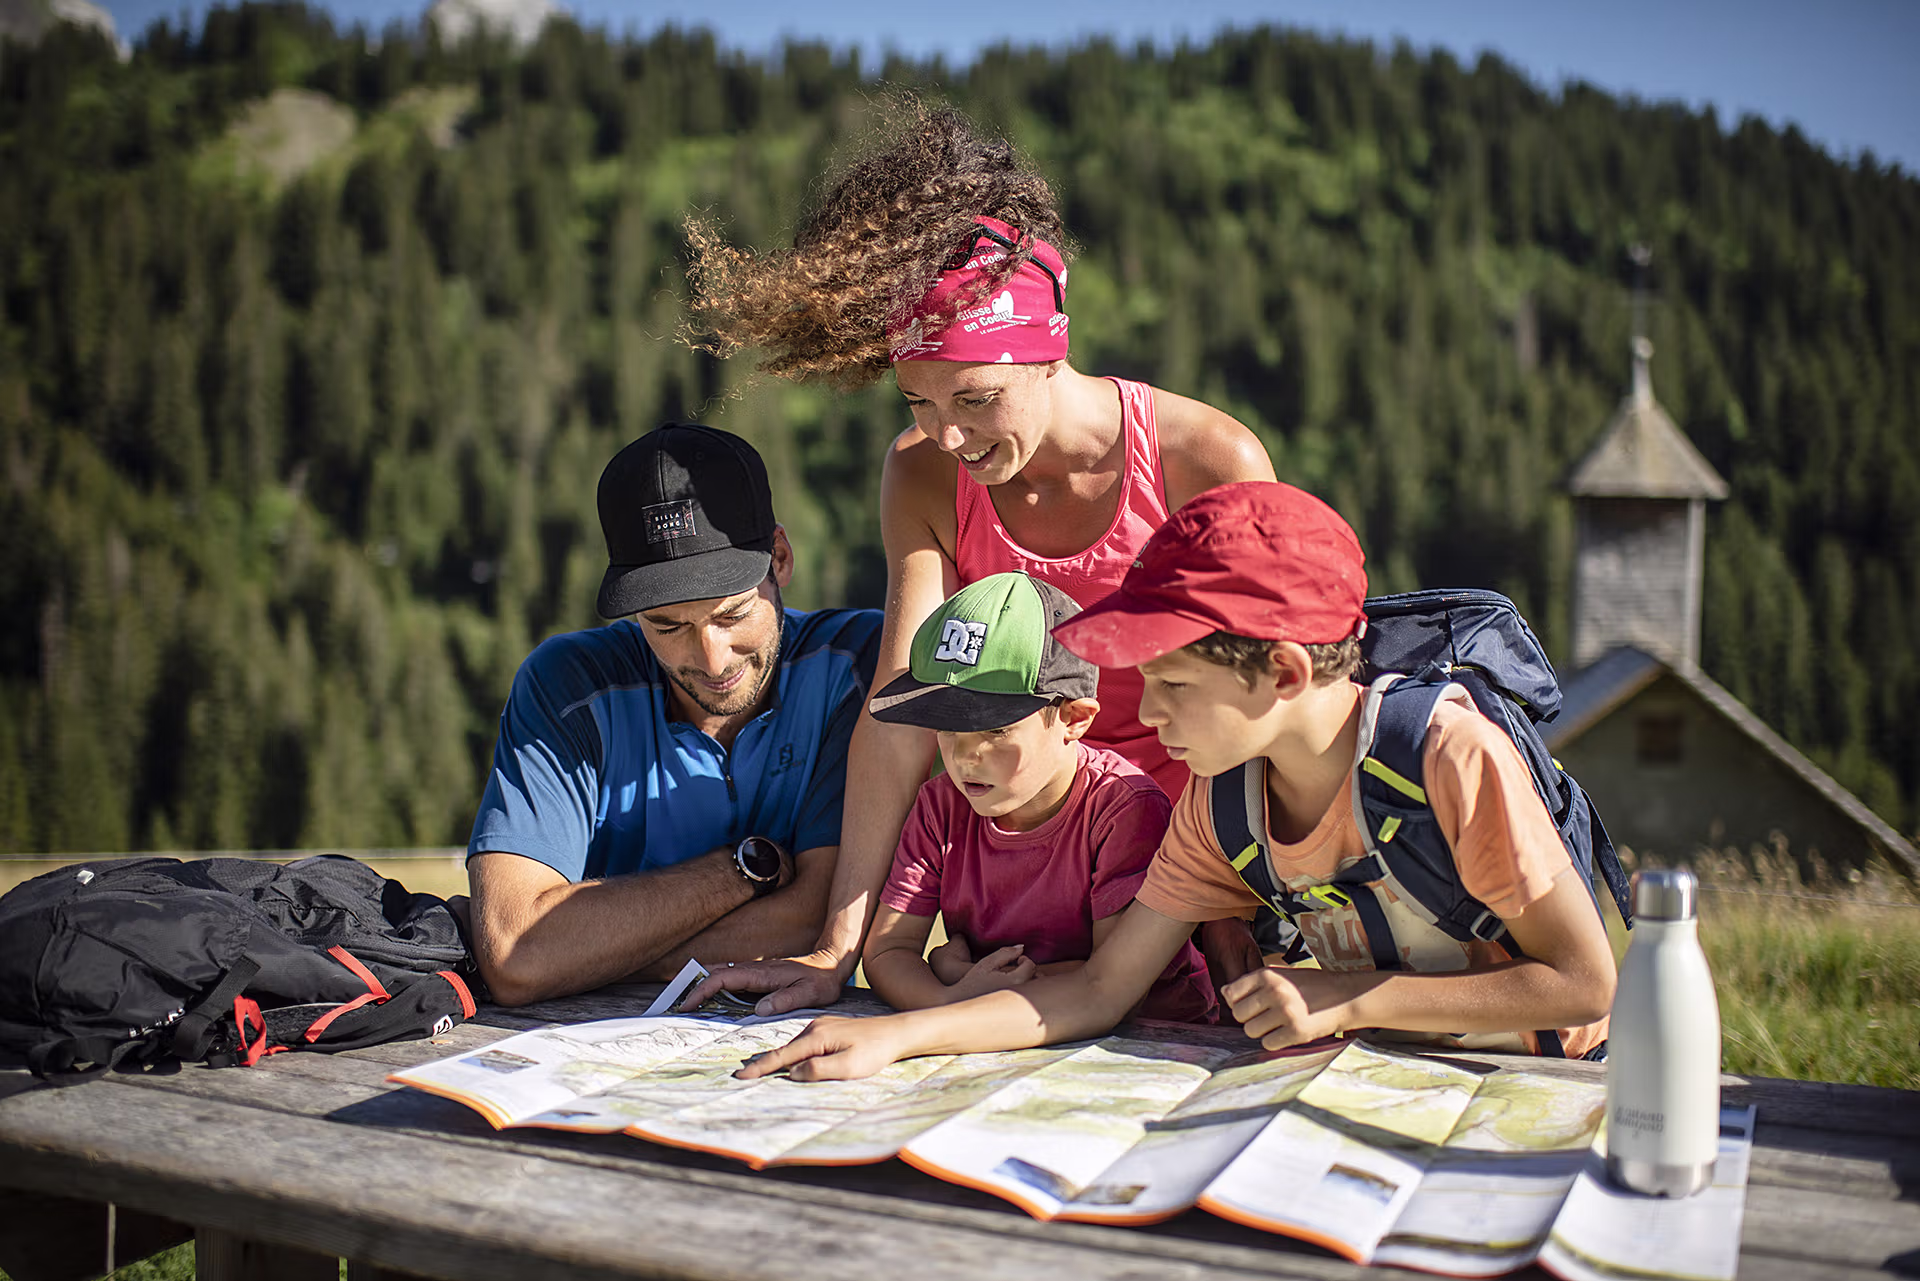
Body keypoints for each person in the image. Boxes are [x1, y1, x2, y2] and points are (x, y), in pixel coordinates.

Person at [682, 104, 1275, 1015]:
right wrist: (839, 947)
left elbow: (1263, 708)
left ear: (1050, 352)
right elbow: (902, 708)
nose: (948, 434)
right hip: (1009, 853)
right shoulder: (921, 472)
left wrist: (1222, 901)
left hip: (1176, 867)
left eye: (976, 397)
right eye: (917, 400)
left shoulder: (1209, 462)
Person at [732, 482, 1618, 1080]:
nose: (1146, 715)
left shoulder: (1446, 760)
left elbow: (1585, 983)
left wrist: (1351, 996)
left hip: (1536, 1078)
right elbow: (1098, 990)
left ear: (1281, 673)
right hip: (1372, 1072)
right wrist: (897, 1038)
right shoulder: (1218, 801)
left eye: (1174, 684)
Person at [466, 424, 882, 1006]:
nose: (711, 658)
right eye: (668, 626)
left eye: (732, 615)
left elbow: (821, 919)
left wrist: (592, 952)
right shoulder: (566, 682)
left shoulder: (858, 664)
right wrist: (741, 873)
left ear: (780, 558)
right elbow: (516, 954)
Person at [861, 572, 1213, 1023]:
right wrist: (952, 1000)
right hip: (1002, 1033)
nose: (967, 756)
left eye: (996, 728)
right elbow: (889, 949)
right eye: (947, 727)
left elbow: (1111, 982)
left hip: (1158, 1040)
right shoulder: (941, 806)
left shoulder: (1123, 809)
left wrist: (962, 979)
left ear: (1073, 718)